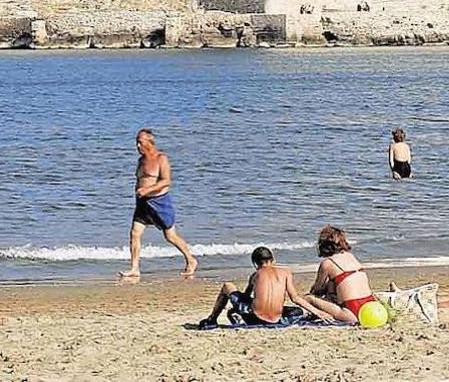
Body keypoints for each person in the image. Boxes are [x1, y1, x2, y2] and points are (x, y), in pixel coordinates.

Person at [119, 129, 197, 281]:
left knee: (170, 236)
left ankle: (191, 259)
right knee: (135, 233)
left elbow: (166, 181)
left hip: (160, 203)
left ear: (149, 142)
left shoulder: (161, 158)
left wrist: (147, 189)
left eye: (140, 142)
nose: (137, 145)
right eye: (136, 142)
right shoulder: (140, 160)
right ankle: (135, 268)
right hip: (142, 203)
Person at [197, 246, 330, 329]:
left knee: (228, 286)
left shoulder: (256, 275)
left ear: (255, 263)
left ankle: (212, 319)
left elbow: (246, 296)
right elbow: (295, 298)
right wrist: (317, 312)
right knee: (297, 311)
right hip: (277, 320)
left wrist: (233, 308)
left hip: (255, 318)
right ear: (273, 260)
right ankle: (308, 316)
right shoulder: (286, 272)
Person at [304, 226, 378, 324]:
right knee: (334, 284)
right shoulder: (350, 256)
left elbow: (316, 290)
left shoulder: (328, 263)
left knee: (308, 298)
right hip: (370, 306)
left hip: (352, 311)